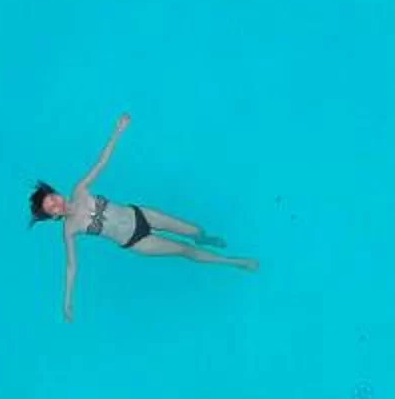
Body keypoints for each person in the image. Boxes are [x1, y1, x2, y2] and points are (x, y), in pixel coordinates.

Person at [29, 114, 255, 320]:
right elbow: (71, 266)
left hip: (141, 214)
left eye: (53, 199)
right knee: (184, 251)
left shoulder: (80, 190)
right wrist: (67, 300)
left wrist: (117, 131)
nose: (58, 205)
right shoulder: (69, 229)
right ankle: (235, 263)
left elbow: (101, 163)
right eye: (52, 209)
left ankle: (204, 238)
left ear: (56, 193)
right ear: (53, 216)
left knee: (194, 230)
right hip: (136, 242)